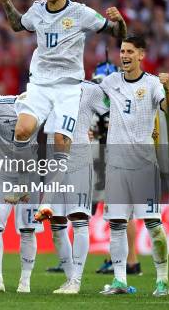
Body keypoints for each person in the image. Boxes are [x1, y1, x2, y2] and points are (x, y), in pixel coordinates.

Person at [0, 0, 127, 220]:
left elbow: (117, 33)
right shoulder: (36, 10)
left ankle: (48, 201)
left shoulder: (80, 13)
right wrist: (5, 2)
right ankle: (23, 185)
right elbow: (17, 25)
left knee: (60, 142)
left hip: (68, 87)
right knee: (22, 130)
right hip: (41, 84)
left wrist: (120, 20)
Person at [98, 35, 169, 296]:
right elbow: (94, 105)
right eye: (122, 51)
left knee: (153, 224)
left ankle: (162, 280)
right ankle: (120, 281)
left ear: (141, 55)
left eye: (130, 51)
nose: (124, 55)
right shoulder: (110, 82)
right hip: (116, 166)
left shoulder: (153, 83)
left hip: (144, 165)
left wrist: (168, 90)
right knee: (117, 224)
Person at [45, 80, 108, 294]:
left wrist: (98, 132)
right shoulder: (46, 84)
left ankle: (77, 280)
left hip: (79, 159)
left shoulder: (90, 90)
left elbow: (115, 111)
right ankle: (70, 279)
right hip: (53, 161)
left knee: (79, 219)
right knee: (56, 223)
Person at [0, 94, 43, 294]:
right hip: (0, 175)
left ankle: (25, 281)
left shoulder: (41, 104)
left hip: (29, 175)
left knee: (27, 229)